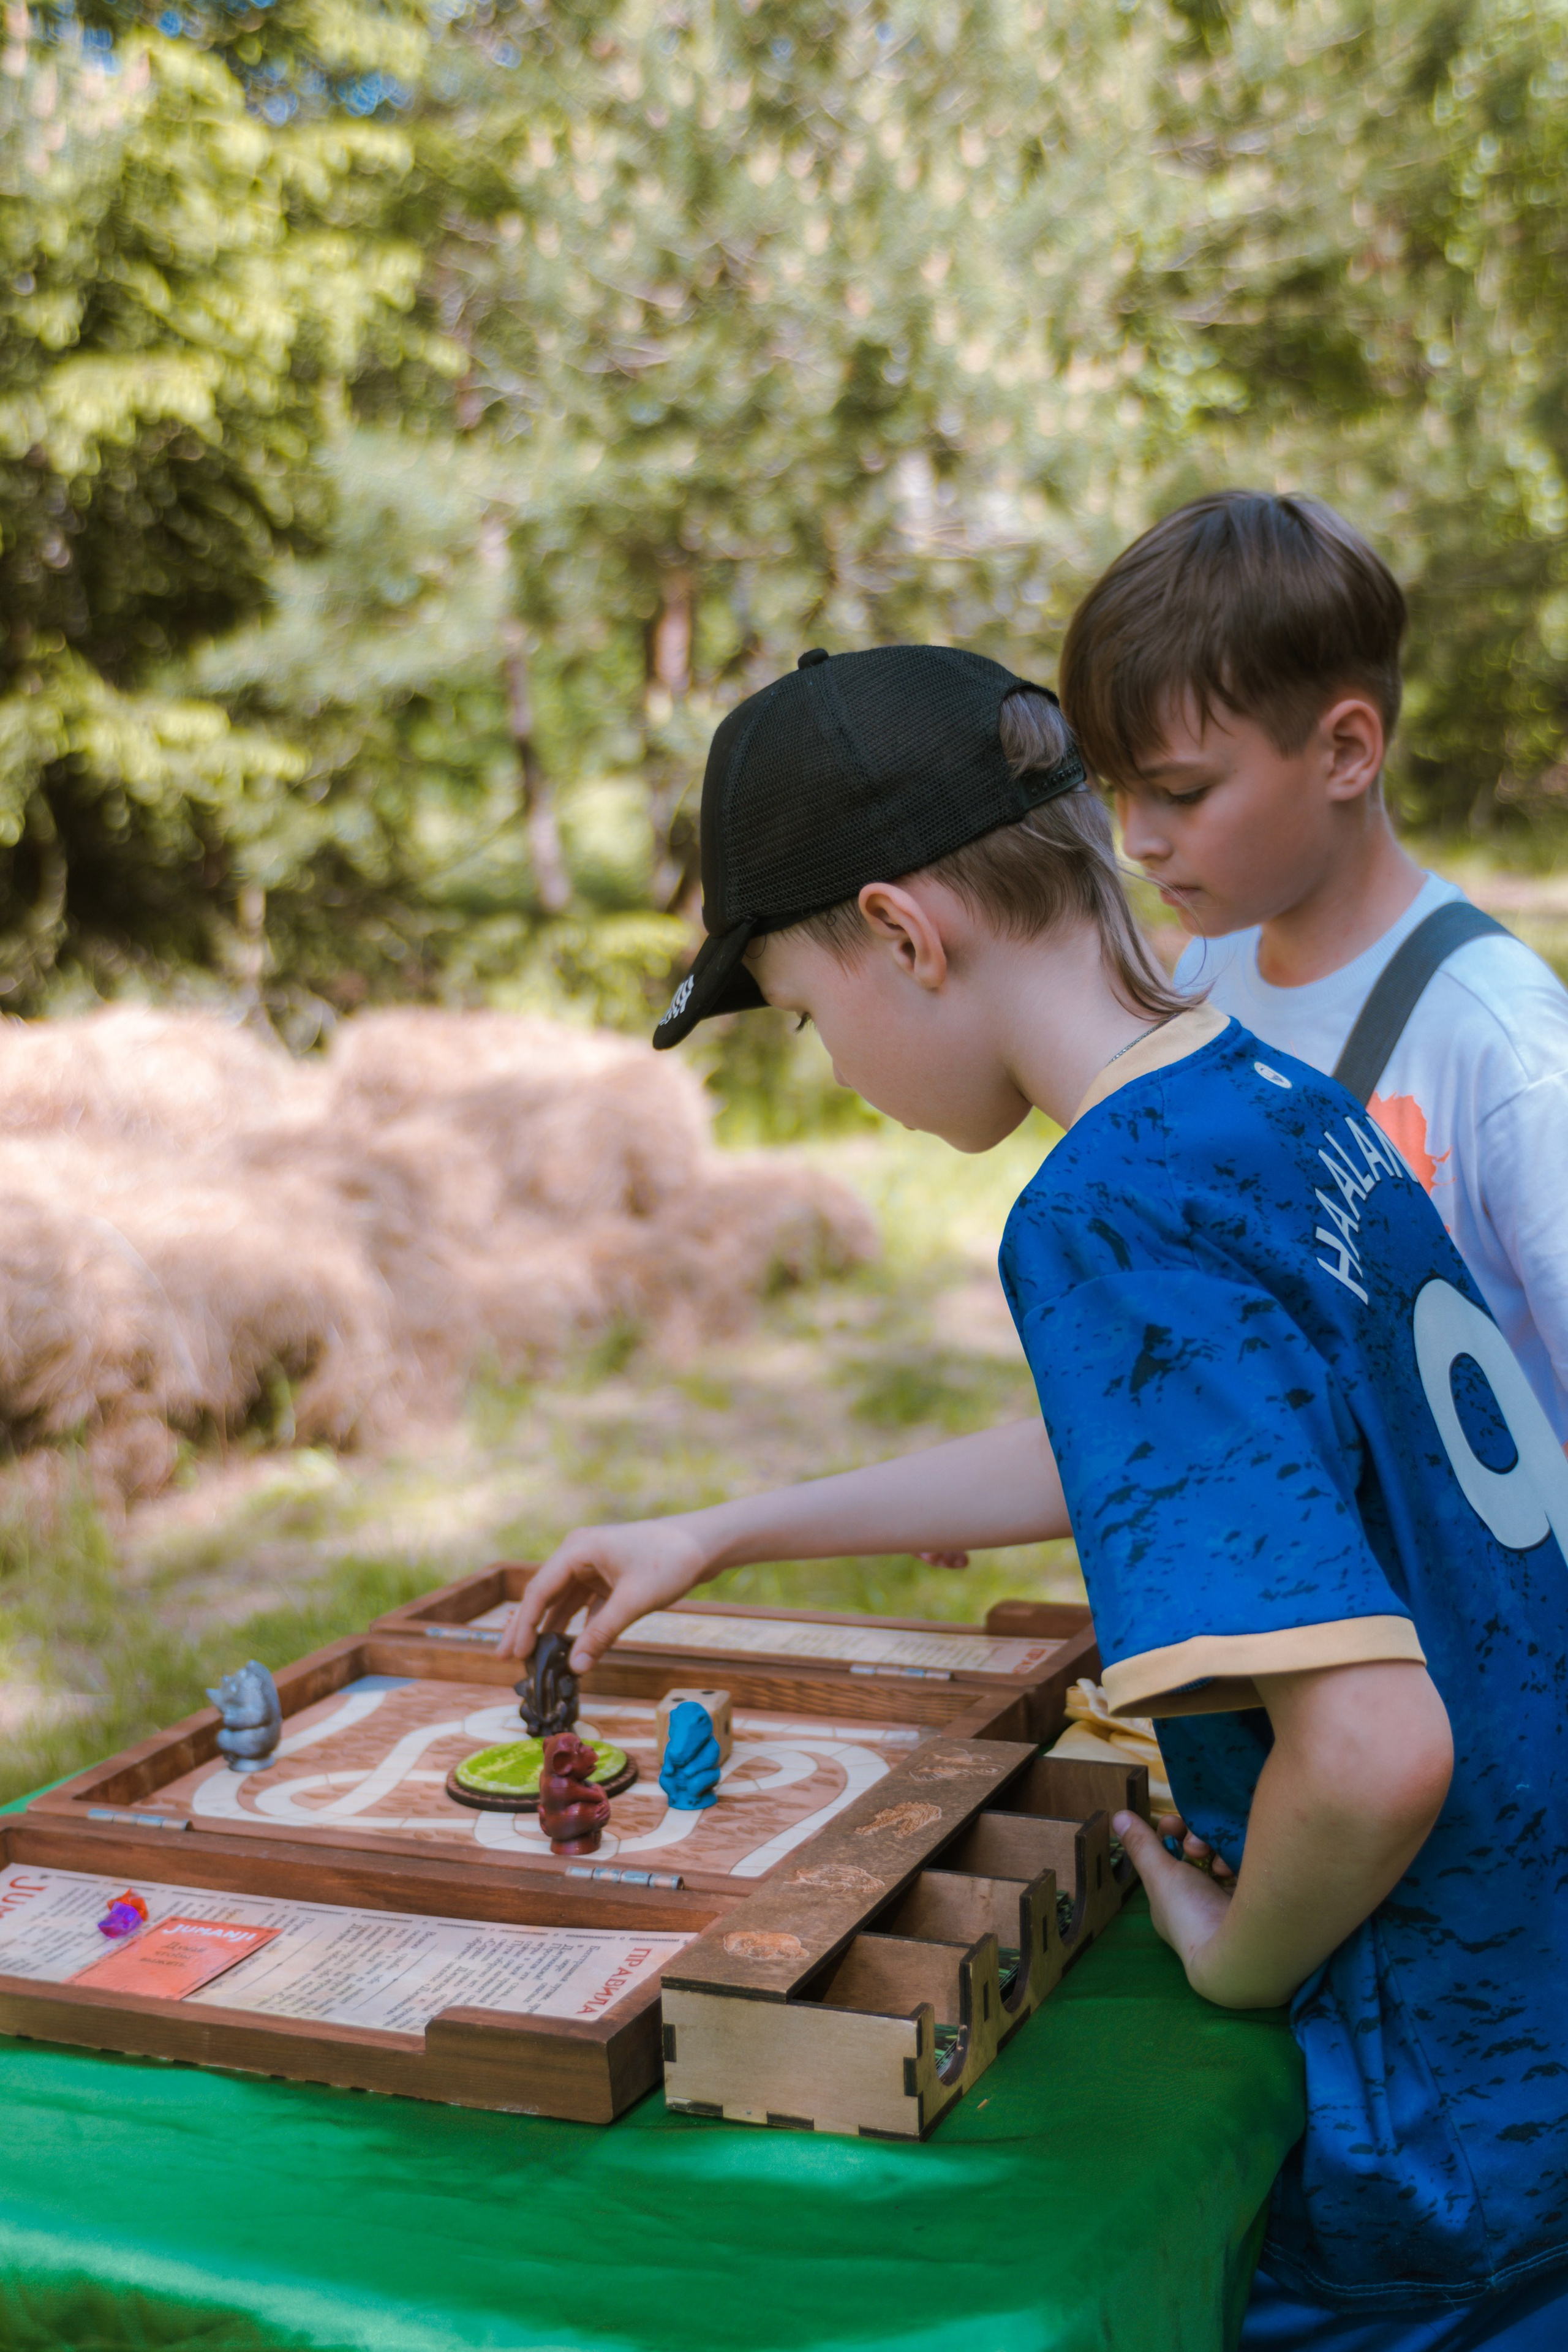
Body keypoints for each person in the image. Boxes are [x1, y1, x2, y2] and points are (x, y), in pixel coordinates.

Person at [500, 644, 1568, 2346]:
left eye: (801, 1011)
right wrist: (726, 1531)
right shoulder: (1268, 1103)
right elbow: (1154, 1433)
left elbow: (1372, 1754)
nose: (834, 1064)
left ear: (907, 935)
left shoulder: (1102, 1213)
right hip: (1538, 1990)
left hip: (1435, 2112)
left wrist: (1240, 1958)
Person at [1058, 489, 1568, 1446]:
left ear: (1345, 750)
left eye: (1180, 793)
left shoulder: (1505, 1046)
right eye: (1119, 794)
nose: (1138, 842)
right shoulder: (1206, 976)